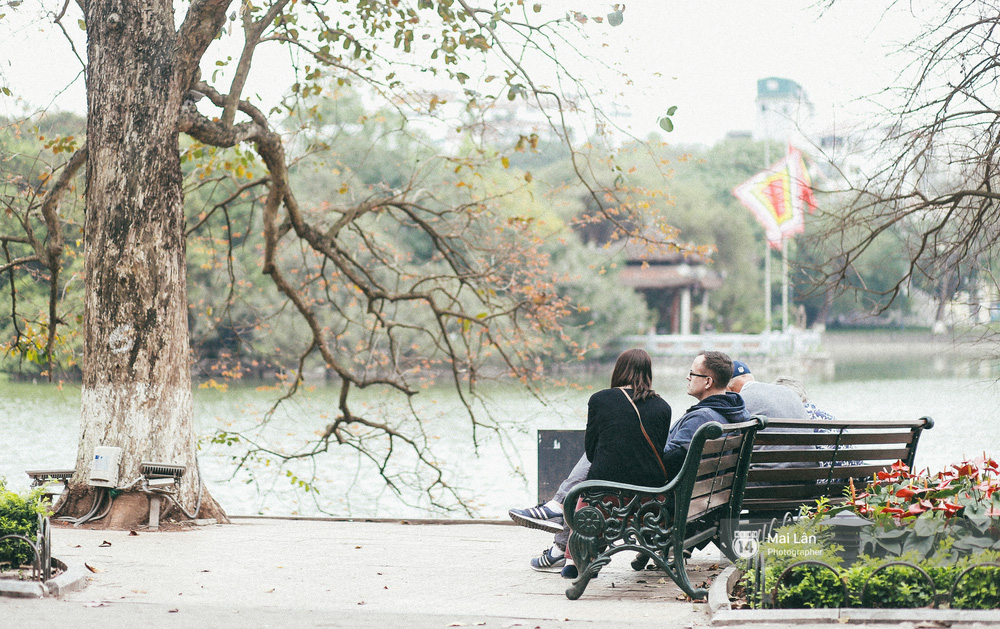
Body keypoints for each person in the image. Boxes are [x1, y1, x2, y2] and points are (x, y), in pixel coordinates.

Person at [515, 348, 672, 577]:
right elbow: (657, 448)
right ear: (648, 373)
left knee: (586, 490)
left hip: (604, 494)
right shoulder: (663, 407)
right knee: (593, 483)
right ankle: (558, 524)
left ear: (619, 370)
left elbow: (590, 452)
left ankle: (565, 540)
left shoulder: (600, 399)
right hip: (650, 496)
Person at [661, 350, 751, 479]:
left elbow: (667, 461)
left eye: (692, 373)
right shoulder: (737, 413)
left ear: (708, 382)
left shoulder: (702, 418)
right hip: (715, 489)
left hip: (685, 490)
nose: (688, 377)